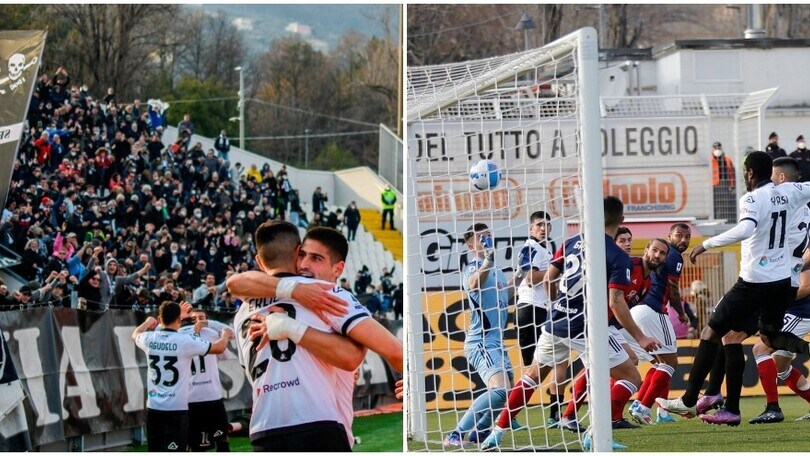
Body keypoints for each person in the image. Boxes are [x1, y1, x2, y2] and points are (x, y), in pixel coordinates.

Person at [481, 197, 660, 450]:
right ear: (621, 222)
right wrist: (641, 337)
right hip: (587, 328)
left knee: (533, 376)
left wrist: (559, 305)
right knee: (631, 376)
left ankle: (497, 432)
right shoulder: (617, 256)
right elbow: (616, 301)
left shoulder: (571, 243)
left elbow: (549, 280)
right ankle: (596, 433)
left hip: (555, 323)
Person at [658, 152, 810, 426]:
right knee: (743, 337)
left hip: (755, 281)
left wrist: (707, 244)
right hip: (782, 283)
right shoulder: (794, 193)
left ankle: (690, 399)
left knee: (711, 331)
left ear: (749, 173)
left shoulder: (753, 198)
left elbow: (745, 229)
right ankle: (726, 404)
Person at [228, 222, 401, 451]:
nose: (306, 264)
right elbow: (381, 352)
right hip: (317, 425)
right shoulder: (324, 293)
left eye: (316, 258)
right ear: (296, 253)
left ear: (259, 262)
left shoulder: (242, 313)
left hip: (264, 431)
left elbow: (234, 283)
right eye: (304, 256)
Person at [749, 157, 810, 424]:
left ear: (782, 178)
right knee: (782, 368)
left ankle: (773, 407)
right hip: (791, 305)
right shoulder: (795, 213)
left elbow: (806, 285)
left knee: (760, 350)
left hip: (799, 308)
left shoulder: (795, 215)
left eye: (772, 177)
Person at [443, 223, 512, 447]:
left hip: (496, 341)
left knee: (507, 392)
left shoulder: (498, 272)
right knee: (501, 390)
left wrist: (520, 276)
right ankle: (456, 433)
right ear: (471, 244)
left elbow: (505, 296)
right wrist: (488, 261)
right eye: (481, 237)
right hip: (481, 341)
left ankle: (479, 432)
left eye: (489, 235)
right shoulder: (473, 268)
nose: (486, 240)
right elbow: (474, 284)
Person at [132, 301, 232, 452]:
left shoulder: (149, 338)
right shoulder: (184, 341)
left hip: (154, 408)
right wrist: (224, 335)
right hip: (176, 408)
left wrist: (146, 322)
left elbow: (135, 335)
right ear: (179, 320)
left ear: (159, 319)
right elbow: (219, 348)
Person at [626, 223, 691, 425]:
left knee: (659, 363)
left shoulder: (659, 258)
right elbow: (672, 287)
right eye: (679, 235)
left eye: (687, 237)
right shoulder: (673, 255)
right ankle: (644, 406)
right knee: (670, 363)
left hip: (637, 311)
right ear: (669, 236)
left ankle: (656, 410)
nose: (683, 240)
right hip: (653, 310)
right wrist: (681, 313)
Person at [510, 211, 566, 425]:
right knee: (535, 370)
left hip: (544, 311)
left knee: (558, 360)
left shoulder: (545, 250)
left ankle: (555, 414)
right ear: (531, 228)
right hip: (529, 310)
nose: (543, 228)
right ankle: (509, 415)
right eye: (539, 225)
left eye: (546, 225)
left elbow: (548, 284)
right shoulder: (530, 247)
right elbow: (531, 278)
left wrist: (555, 292)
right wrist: (556, 271)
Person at [180, 309, 232, 452]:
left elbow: (225, 354)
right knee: (195, 443)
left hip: (211, 395)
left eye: (202, 317)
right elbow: (229, 333)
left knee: (222, 439)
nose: (198, 320)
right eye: (194, 318)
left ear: (207, 319)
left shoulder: (181, 335)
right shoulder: (209, 334)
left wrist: (210, 325)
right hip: (192, 397)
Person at [711, 141, 737, 222]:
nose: (717, 149)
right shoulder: (710, 160)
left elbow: (732, 173)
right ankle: (716, 220)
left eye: (719, 147)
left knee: (725, 205)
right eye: (716, 148)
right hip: (714, 185)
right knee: (716, 204)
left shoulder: (727, 159)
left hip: (725, 184)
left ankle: (725, 220)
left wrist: (732, 186)